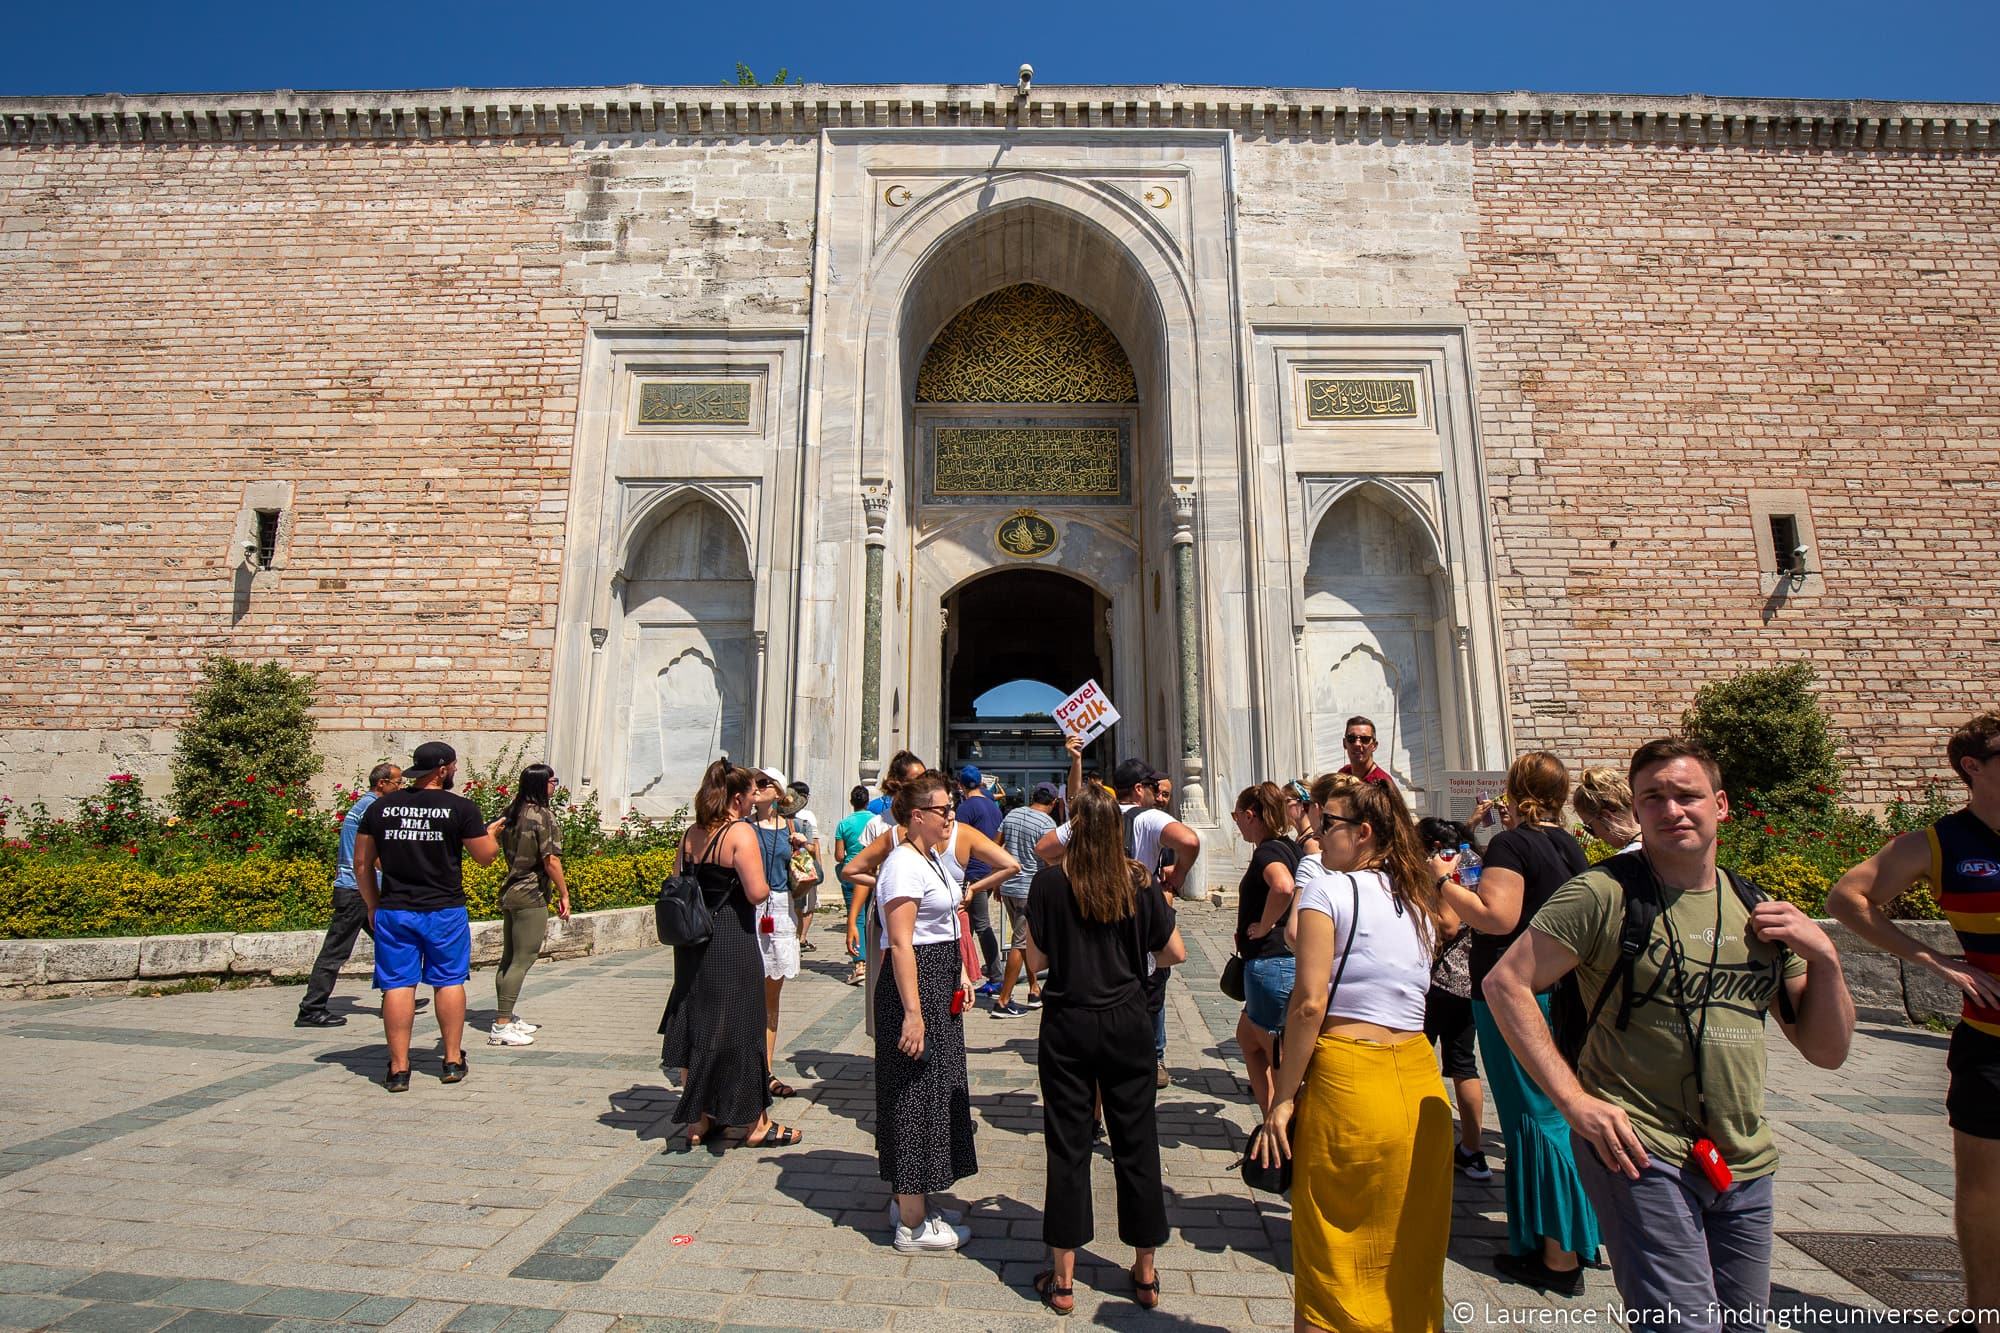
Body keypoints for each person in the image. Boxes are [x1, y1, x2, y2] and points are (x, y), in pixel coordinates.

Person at [1488, 737, 1853, 1333]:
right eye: (1653, 798)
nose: (1671, 809)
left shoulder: (1755, 908)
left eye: (1687, 795)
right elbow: (1508, 984)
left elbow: (1827, 1050)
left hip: (1743, 1159)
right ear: (1635, 809)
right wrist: (1573, 1100)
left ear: (1721, 804)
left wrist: (1827, 959)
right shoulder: (1605, 893)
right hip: (1640, 1150)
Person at [1257, 776, 1454, 1333]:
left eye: (1328, 825)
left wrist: (1284, 1098)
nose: (1316, 834)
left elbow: (1308, 1004)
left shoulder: (1327, 890)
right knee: (1409, 1262)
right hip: (1419, 1081)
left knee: (1331, 1262)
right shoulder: (1420, 895)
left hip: (1349, 1077)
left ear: (1364, 832)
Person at [1829, 712, 2000, 1333]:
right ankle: (1986, 1318)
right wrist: (1930, 959)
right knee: (1984, 1193)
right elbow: (1847, 898)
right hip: (1989, 1044)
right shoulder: (1939, 842)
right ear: (1972, 768)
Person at [1436, 750, 1599, 1291]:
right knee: (1553, 1108)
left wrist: (1442, 883)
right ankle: (1569, 1235)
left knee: (1536, 1114)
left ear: (1515, 787)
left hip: (1515, 994)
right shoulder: (1566, 843)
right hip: (1559, 992)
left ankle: (1557, 1257)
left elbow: (1498, 916)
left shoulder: (1514, 843)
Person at [1025, 783, 1187, 1314]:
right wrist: (1133, 964)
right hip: (1127, 1022)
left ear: (1073, 829)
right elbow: (1175, 953)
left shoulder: (1049, 885)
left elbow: (1037, 962)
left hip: (1068, 1022)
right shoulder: (1139, 882)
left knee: (1068, 1146)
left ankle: (1065, 1279)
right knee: (1137, 1143)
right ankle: (1144, 1273)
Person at [1037, 746, 1202, 1089]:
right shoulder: (1149, 817)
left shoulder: (1094, 817)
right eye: (1153, 788)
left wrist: (1068, 870)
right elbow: (1189, 839)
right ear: (1139, 790)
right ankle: (1151, 1057)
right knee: (1150, 986)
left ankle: (1100, 1087)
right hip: (1140, 911)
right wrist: (1178, 874)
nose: (1158, 794)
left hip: (1092, 921)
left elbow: (1044, 848)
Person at [659, 759, 801, 1150]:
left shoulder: (691, 834)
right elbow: (756, 893)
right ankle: (755, 1122)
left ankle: (698, 1117)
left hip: (692, 940)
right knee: (741, 1022)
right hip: (730, 935)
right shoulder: (739, 833)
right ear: (737, 798)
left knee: (696, 1019)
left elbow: (679, 880)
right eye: (749, 795)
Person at [874, 772, 981, 1253]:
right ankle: (911, 1224)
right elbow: (901, 943)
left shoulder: (930, 858)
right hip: (913, 990)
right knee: (913, 1094)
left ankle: (912, 1197)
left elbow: (941, 925)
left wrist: (959, 973)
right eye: (943, 810)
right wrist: (913, 1014)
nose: (951, 816)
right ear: (917, 816)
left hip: (938, 982)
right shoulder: (901, 865)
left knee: (934, 1090)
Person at [352, 741, 499, 1092]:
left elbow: (361, 864)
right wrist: (492, 834)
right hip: (444, 909)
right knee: (448, 981)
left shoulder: (380, 808)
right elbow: (486, 856)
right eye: (454, 766)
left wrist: (372, 905)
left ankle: (399, 1067)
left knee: (397, 985)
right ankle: (450, 1059)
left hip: (395, 909)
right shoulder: (460, 808)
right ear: (444, 769)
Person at [296, 762, 401, 1027]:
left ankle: (396, 996)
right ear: (382, 784)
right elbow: (372, 856)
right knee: (336, 951)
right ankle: (311, 1008)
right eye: (397, 782)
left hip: (360, 889)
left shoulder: (366, 806)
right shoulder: (373, 809)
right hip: (356, 891)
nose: (400, 787)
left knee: (392, 942)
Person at [1417, 816, 1491, 1180]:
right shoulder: (1474, 861)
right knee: (1463, 1063)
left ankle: (1421, 1141)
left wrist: (1422, 904)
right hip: (1470, 978)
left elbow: (1447, 925)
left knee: (1418, 1057)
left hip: (1443, 980)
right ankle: (1473, 1149)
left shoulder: (1446, 869)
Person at [486, 763, 571, 1046]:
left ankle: (506, 1016)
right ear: (540, 784)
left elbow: (490, 836)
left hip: (511, 889)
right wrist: (564, 894)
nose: (554, 786)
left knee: (509, 958)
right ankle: (501, 1025)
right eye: (552, 781)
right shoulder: (542, 816)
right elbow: (551, 860)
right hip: (531, 893)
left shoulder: (512, 812)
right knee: (524, 958)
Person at [1230, 781, 1300, 1115]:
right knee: (1248, 1039)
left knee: (1277, 1057)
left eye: (1236, 817)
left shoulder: (1268, 852)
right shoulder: (1288, 846)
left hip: (1271, 962)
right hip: (1277, 961)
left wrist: (1266, 924)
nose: (1237, 824)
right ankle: (1271, 1118)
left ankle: (1281, 1131)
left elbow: (1283, 887)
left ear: (1249, 815)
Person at [750, 768, 804, 1099]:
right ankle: (745, 1064)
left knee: (771, 997)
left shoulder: (789, 827)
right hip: (751, 910)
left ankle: (765, 1069)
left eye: (764, 783)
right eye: (754, 783)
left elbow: (808, 875)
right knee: (748, 992)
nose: (757, 788)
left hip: (780, 909)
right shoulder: (743, 827)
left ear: (778, 793)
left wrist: (802, 850)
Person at [992, 782, 1058, 1017]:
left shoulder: (1013, 814)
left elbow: (995, 846)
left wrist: (997, 880)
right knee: (1020, 944)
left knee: (1028, 939)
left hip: (1009, 886)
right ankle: (1003, 1000)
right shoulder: (1047, 823)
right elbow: (1051, 857)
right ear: (1053, 802)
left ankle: (1033, 989)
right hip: (1029, 889)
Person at [955, 766, 1005, 994]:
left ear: (961, 786)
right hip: (989, 870)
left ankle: (996, 975)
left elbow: (957, 839)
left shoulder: (965, 808)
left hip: (972, 873)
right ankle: (964, 968)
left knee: (981, 924)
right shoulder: (992, 806)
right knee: (970, 924)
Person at [834, 784, 874, 987]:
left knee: (856, 917)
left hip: (852, 873)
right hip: (872, 873)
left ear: (852, 802)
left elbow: (839, 855)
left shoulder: (843, 824)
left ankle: (860, 964)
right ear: (868, 801)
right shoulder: (875, 820)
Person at [784, 780, 826, 951]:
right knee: (802, 906)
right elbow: (813, 847)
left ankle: (795, 938)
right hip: (800, 869)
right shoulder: (806, 822)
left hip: (786, 869)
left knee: (796, 906)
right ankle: (799, 939)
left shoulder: (778, 824)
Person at [1572, 768, 1642, 853]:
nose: (1596, 837)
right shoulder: (1659, 846)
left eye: (1590, 828)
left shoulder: (1620, 863)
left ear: (1606, 816)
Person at [1337, 716, 1396, 789]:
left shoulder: (1382, 784)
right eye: (1351, 738)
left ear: (1374, 746)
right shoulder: (1343, 774)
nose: (1357, 744)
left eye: (1365, 739)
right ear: (1344, 743)